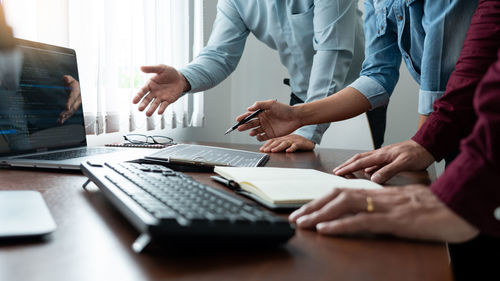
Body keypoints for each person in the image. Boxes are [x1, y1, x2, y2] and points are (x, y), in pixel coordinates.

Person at [235, 0, 478, 150]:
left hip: (480, 109)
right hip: (452, 113)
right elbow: (377, 75)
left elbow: (441, 78)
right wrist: (297, 116)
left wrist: (420, 144)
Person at [133, 0, 365, 153]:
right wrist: (184, 79)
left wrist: (307, 130)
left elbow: (332, 52)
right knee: (300, 176)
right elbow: (219, 55)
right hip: (302, 95)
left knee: (358, 177)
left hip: (357, 93)